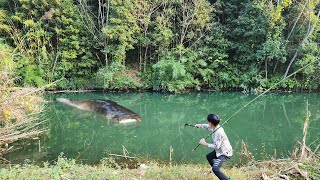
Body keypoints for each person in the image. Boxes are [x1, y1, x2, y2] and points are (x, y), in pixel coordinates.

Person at [195, 113, 232, 180]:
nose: (208, 123)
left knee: (215, 169)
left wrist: (204, 143)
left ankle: (222, 175)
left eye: (208, 122)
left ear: (211, 123)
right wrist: (200, 125)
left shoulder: (218, 132)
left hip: (225, 153)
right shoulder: (215, 126)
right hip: (219, 151)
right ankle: (217, 171)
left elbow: (216, 146)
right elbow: (208, 126)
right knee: (209, 157)